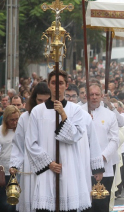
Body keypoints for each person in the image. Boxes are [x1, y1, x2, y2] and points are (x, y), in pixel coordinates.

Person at [25, 70, 91, 212]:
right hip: (47, 170)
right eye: (53, 83)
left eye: (60, 83)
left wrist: (63, 114)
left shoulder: (76, 110)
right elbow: (30, 143)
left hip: (68, 169)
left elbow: (75, 136)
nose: (57, 86)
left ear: (66, 85)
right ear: (48, 85)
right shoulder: (37, 111)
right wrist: (49, 163)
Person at [9, 82, 51, 212]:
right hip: (30, 167)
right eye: (39, 100)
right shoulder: (25, 119)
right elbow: (18, 144)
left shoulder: (54, 117)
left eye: (46, 100)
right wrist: (15, 164)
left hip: (50, 167)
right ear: (34, 99)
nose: (42, 104)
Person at [65, 84, 105, 210]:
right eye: (67, 96)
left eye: (73, 96)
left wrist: (97, 168)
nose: (70, 99)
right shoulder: (55, 114)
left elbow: (93, 142)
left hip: (81, 163)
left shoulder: (85, 116)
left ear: (78, 97)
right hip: (63, 164)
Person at [82, 82, 119, 212]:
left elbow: (115, 140)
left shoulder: (109, 115)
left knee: (101, 207)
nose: (94, 97)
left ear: (102, 95)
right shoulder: (79, 112)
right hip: (82, 167)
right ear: (86, 95)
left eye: (97, 94)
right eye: (91, 94)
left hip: (104, 167)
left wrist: (102, 157)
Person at [0, 105, 20, 212]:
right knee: (5, 204)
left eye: (17, 119)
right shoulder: (0, 132)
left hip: (19, 172)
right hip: (5, 173)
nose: (15, 122)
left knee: (17, 203)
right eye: (12, 120)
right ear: (6, 119)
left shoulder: (21, 131)